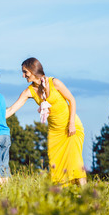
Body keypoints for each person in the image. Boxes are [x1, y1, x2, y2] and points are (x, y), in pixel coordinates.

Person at [6, 58, 87, 186]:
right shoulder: (29, 91)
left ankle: (85, 195)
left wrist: (71, 124)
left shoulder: (55, 83)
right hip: (55, 132)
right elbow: (11, 110)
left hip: (70, 127)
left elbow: (72, 100)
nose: (23, 75)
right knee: (57, 166)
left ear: (33, 71)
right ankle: (64, 198)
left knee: (75, 162)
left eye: (25, 72)